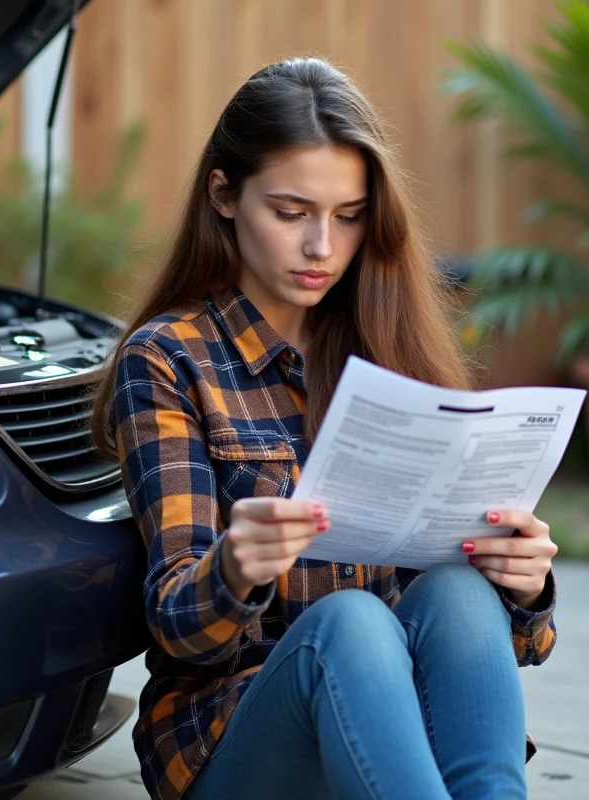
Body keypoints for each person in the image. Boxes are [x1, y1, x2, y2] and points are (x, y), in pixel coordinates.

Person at [90, 57, 559, 800]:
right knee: (352, 624)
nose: (322, 249)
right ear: (224, 196)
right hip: (234, 743)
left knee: (460, 596)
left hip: (386, 728)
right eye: (290, 212)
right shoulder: (169, 359)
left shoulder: (391, 344)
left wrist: (524, 588)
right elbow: (179, 625)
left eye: (348, 216)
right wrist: (234, 569)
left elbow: (510, 645)